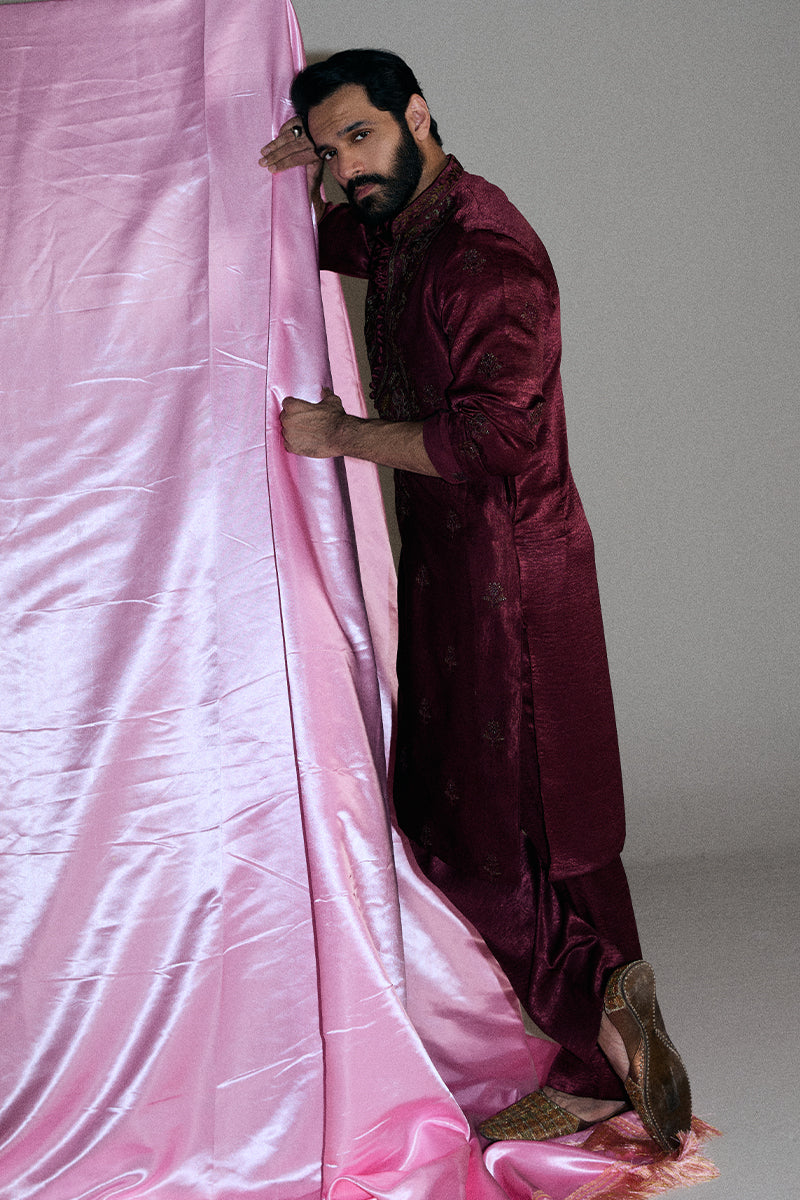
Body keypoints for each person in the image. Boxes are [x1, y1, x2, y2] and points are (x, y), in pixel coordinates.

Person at [260, 49, 691, 1152]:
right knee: (538, 833)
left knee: (487, 838)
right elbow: (340, 239)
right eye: (331, 150)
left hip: (514, 585)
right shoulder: (408, 224)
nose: (348, 168)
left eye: (360, 137)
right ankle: (609, 1040)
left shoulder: (486, 257)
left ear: (418, 114)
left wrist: (338, 436)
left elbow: (494, 440)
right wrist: (281, 180)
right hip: (457, 572)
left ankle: (601, 1018)